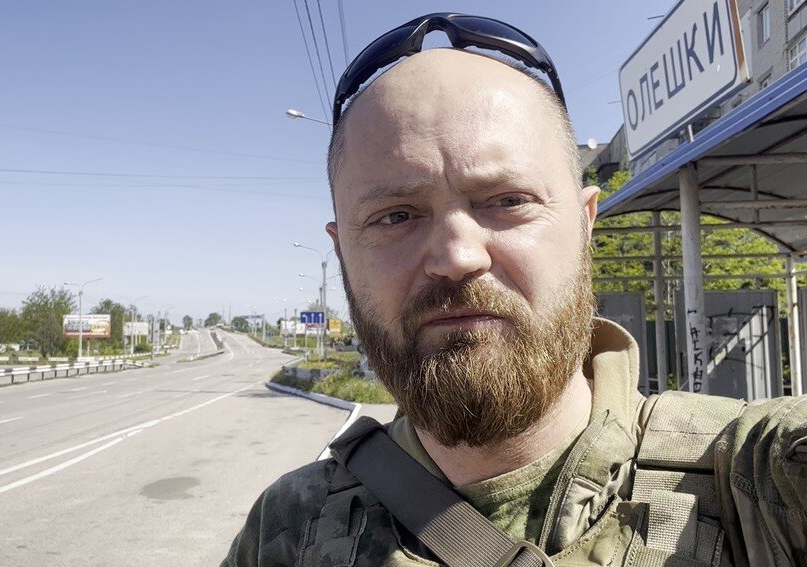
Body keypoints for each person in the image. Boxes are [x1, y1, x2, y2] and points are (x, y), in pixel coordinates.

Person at [223, 13, 807, 566]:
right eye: (396, 216)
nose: (457, 257)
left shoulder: (763, 480)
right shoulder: (287, 530)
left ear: (585, 224)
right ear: (342, 251)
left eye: (507, 201)